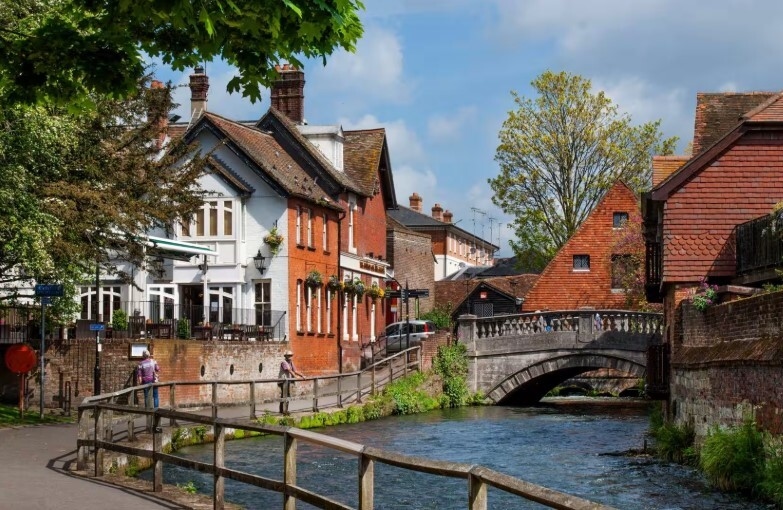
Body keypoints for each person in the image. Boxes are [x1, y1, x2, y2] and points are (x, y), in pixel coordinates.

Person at [278, 350, 304, 415]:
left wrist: (302, 375)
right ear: (286, 356)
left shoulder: (291, 362)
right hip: (283, 381)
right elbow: (289, 370)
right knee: (285, 395)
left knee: (286, 395)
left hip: (287, 381)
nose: (290, 357)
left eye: (291, 355)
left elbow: (295, 371)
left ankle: (284, 410)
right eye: (289, 355)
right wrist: (295, 377)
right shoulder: (283, 362)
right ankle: (284, 410)